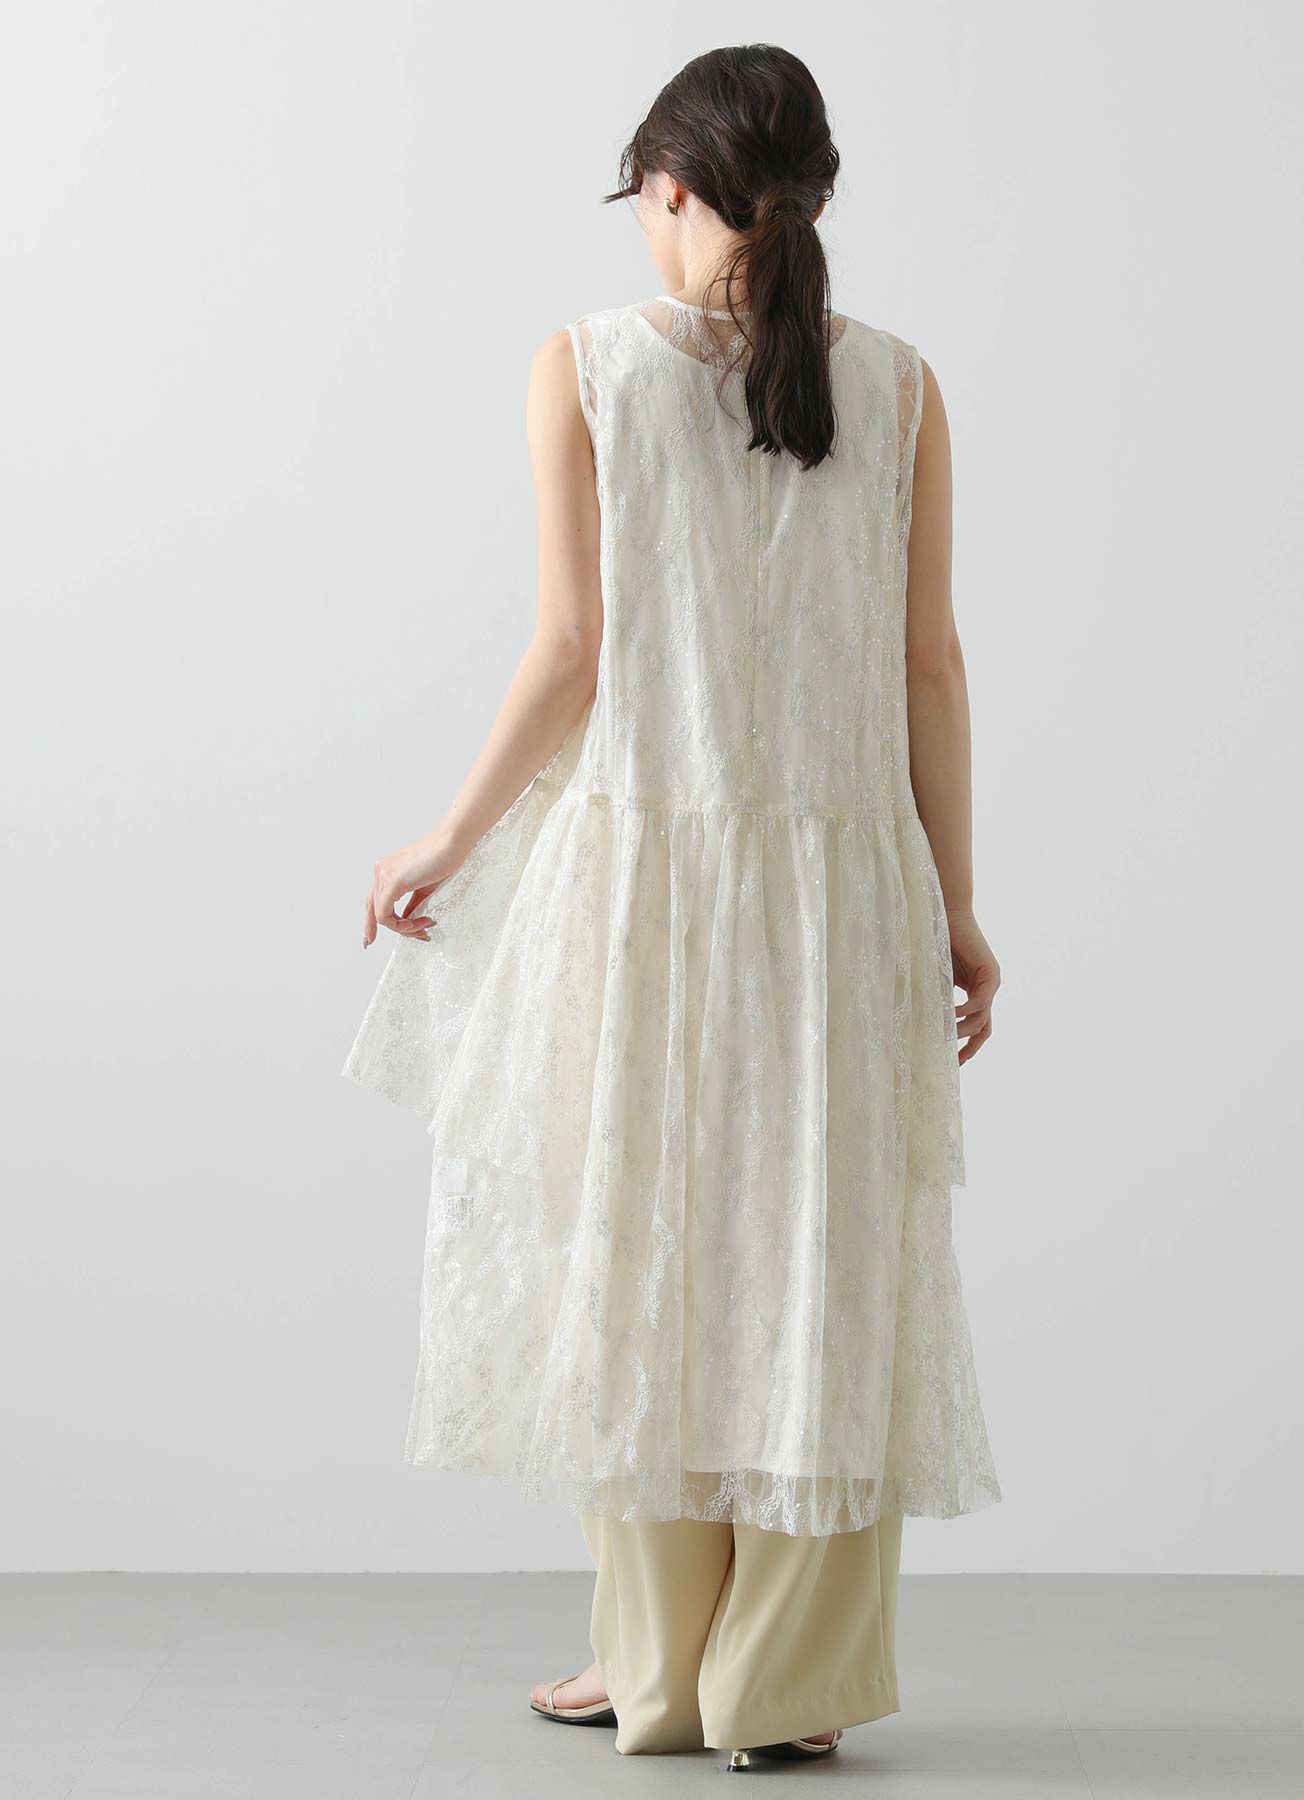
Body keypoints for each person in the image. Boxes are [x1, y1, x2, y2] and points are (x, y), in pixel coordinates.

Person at [344, 42, 1002, 1771]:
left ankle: (656, 1669)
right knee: (820, 1253)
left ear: (671, 189)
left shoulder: (583, 368)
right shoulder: (903, 386)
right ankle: (778, 1685)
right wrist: (957, 903)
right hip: (844, 887)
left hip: (646, 887)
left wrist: (445, 837)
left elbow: (571, 654)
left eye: (645, 200)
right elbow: (930, 663)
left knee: (644, 1251)